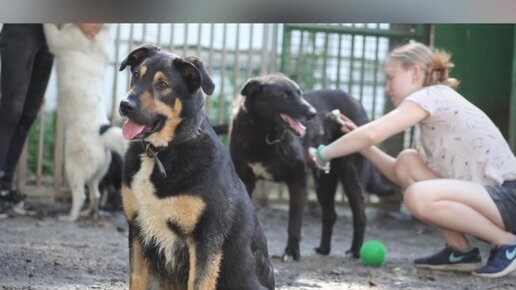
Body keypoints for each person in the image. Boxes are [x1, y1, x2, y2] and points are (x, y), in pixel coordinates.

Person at [309, 42, 516, 278]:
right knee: (407, 161)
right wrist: (365, 148)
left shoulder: (432, 96)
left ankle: (508, 244)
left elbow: (372, 132)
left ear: (415, 72)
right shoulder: (428, 120)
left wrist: (322, 153)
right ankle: (460, 251)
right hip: (490, 202)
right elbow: (398, 172)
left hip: (508, 198)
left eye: (391, 77)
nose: (387, 87)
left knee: (417, 195)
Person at [0, 23, 102, 218]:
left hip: (48, 33)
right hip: (21, 27)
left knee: (28, 112)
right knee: (11, 111)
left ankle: (4, 190)